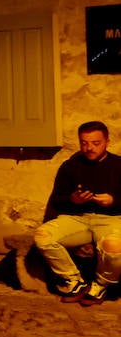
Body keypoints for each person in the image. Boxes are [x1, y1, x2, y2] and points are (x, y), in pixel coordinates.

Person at [33, 121, 121, 305]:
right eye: (84, 143)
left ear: (107, 142)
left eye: (96, 143)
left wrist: (113, 201)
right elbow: (57, 199)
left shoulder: (118, 165)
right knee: (43, 236)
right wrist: (73, 200)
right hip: (77, 219)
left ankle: (100, 284)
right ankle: (75, 281)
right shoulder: (70, 166)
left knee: (114, 246)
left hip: (111, 219)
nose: (89, 148)